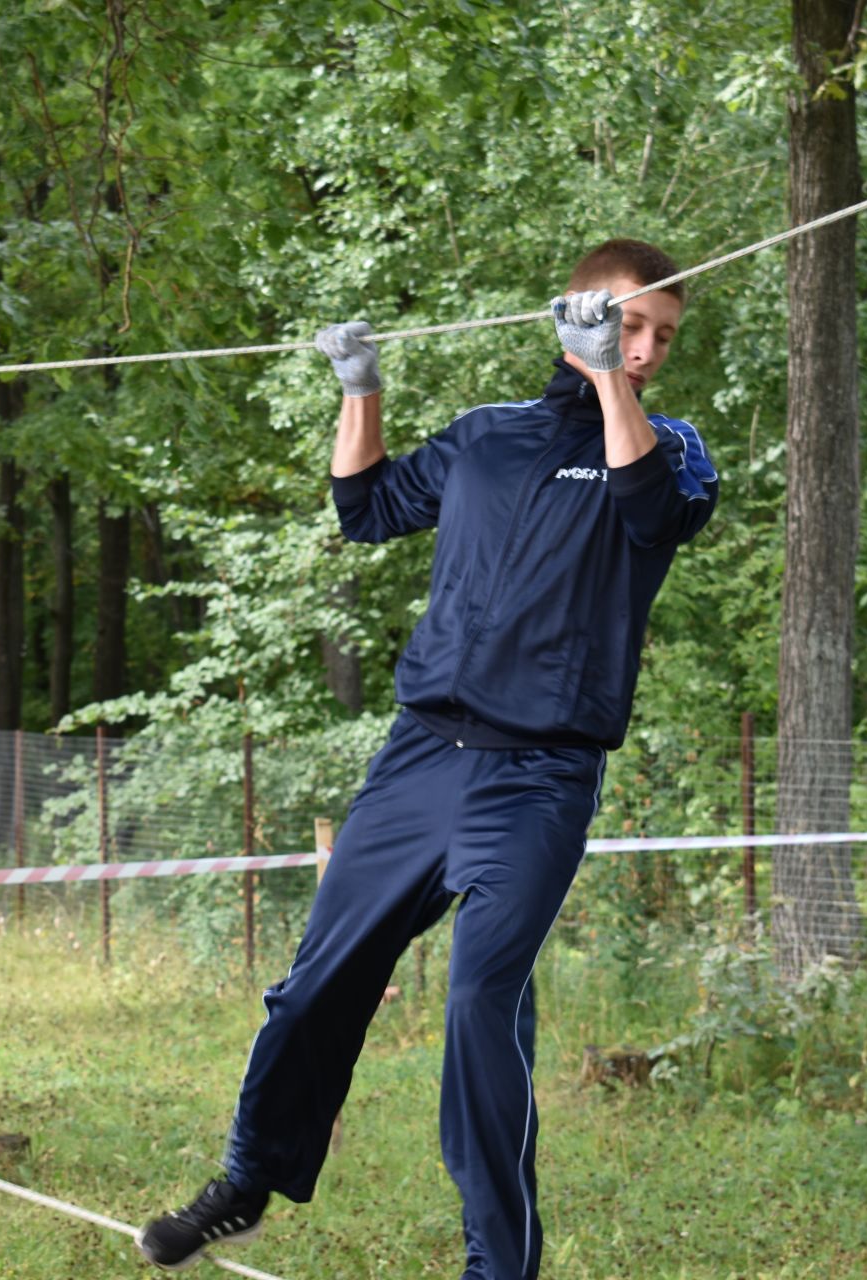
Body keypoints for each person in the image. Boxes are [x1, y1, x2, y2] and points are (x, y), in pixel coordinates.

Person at [139, 239, 717, 1278]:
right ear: (579, 310)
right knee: (315, 985)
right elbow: (364, 508)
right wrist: (360, 388)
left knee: (479, 1002)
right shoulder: (487, 440)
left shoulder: (672, 448)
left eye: (661, 337)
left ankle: (500, 1264)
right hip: (420, 761)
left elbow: (650, 512)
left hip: (539, 779)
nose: (645, 352)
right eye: (629, 326)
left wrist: (603, 377)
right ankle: (249, 1179)